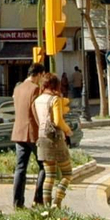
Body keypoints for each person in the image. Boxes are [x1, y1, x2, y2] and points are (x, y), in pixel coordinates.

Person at [11, 63, 47, 209]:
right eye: (42, 76)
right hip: (32, 132)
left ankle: (17, 203)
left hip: (18, 133)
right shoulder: (36, 89)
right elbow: (36, 111)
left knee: (20, 168)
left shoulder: (17, 89)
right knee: (45, 166)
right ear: (38, 74)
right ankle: (38, 200)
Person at [35, 74, 75, 207]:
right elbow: (58, 121)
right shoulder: (55, 100)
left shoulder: (37, 100)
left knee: (49, 175)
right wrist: (68, 130)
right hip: (56, 140)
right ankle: (57, 202)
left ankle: (47, 207)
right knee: (67, 173)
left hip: (42, 139)